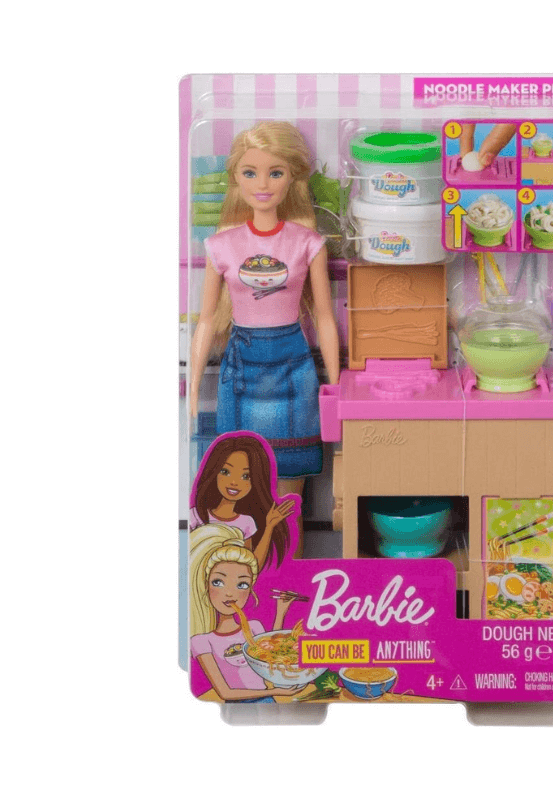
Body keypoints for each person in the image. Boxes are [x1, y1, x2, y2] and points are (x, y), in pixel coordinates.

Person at [190, 122, 340, 551]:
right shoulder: (221, 246)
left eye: (275, 172)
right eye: (250, 172)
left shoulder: (307, 243)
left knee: (289, 495)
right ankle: (243, 571)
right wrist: (194, 389)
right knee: (239, 487)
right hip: (242, 368)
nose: (262, 184)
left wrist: (336, 388)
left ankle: (287, 571)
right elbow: (206, 321)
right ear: (235, 178)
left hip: (293, 366)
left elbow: (324, 318)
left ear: (292, 178)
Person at [189, 523, 302, 702]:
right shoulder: (202, 641)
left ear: (250, 590)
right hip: (235, 705)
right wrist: (276, 692)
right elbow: (225, 693)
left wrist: (281, 611)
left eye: (242, 584)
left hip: (267, 703)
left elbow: (272, 653)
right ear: (206, 586)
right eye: (218, 582)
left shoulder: (253, 627)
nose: (230, 593)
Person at [190, 433, 296, 571]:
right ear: (214, 472)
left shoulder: (246, 523)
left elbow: (252, 567)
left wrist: (269, 526)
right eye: (225, 472)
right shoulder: (196, 516)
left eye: (246, 476)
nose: (234, 482)